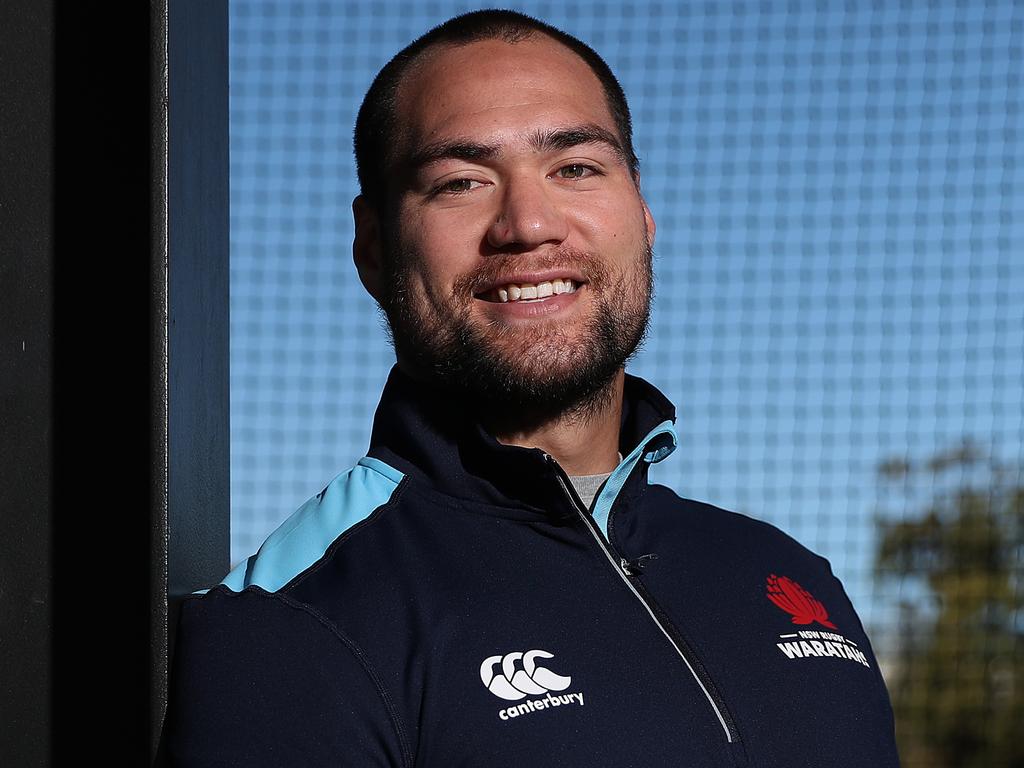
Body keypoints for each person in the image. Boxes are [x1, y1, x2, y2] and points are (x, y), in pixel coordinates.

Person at [162, 10, 900, 766]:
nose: (528, 223)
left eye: (576, 167)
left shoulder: (791, 576)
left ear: (642, 213)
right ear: (374, 247)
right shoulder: (293, 620)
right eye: (461, 181)